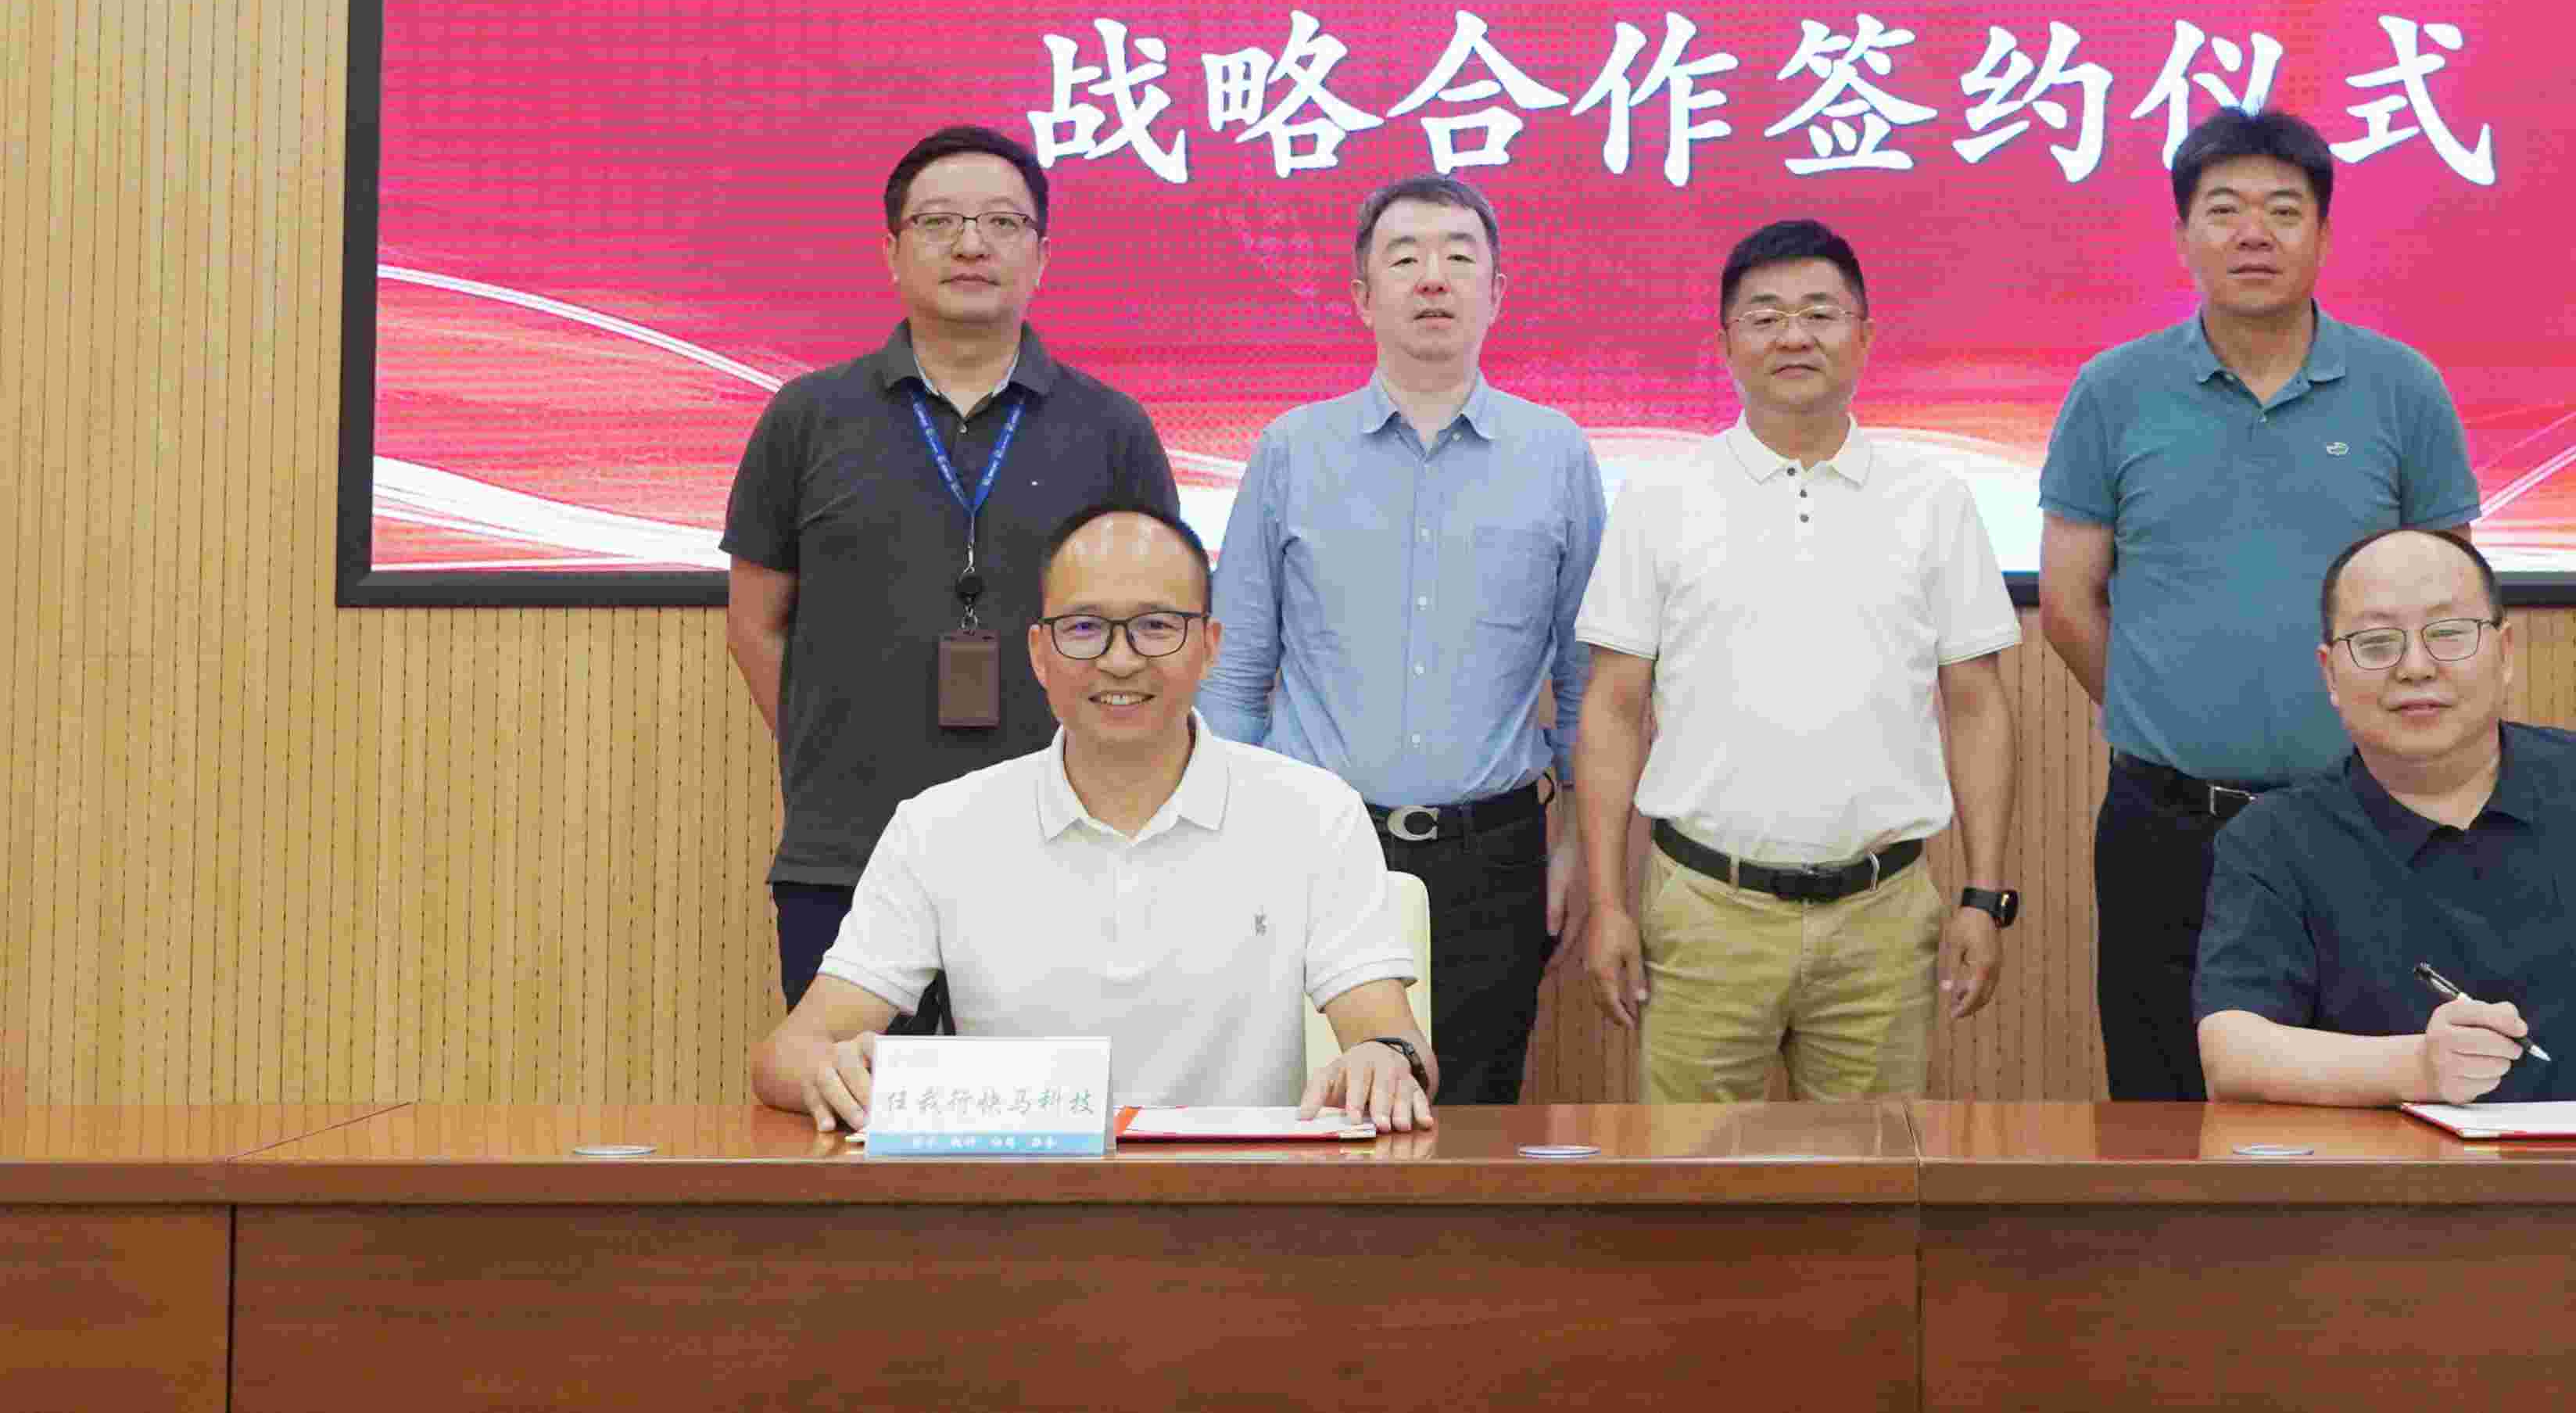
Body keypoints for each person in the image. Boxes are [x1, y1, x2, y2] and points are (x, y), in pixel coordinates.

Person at [2039, 107, 2481, 1101]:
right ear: (2182, 235)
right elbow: (2069, 602)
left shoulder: (2401, 386)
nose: (2253, 233)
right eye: (2224, 209)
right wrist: (2170, 712)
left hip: (2365, 812)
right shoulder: (2115, 389)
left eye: (2284, 210)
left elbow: (2450, 600)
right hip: (2166, 823)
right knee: (2163, 1095)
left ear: (2323, 235)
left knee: (2373, 1084)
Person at [753, 503, 1435, 1134]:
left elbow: (1392, 1036)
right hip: (1017, 1203)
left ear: (1209, 645)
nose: (1120, 659)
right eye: (1083, 628)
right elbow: (788, 1053)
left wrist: (1385, 1059)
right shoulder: (940, 827)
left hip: (1246, 1200)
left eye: (1156, 626)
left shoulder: (1313, 813)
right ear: (1038, 653)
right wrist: (827, 1067)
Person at [723, 124, 1181, 1024]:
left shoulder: (1112, 429)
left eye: (1003, 222)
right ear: (891, 251)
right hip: (849, 853)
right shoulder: (807, 417)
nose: (972, 244)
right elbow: (755, 623)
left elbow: (1156, 631)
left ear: (1041, 255)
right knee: (852, 1101)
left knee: (1054, 1104)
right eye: (939, 221)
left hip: (1066, 850)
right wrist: (833, 746)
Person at [1575, 219, 2021, 1103]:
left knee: (1872, 1176)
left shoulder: (1932, 499)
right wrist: (1609, 903)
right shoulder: (1661, 498)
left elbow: (1976, 705)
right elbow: (1613, 708)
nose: (1793, 336)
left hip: (1883, 918)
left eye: (1820, 313)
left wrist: (1983, 894)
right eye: (1765, 316)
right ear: (1725, 343)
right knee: (1691, 1174)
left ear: (1865, 336)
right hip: (1703, 910)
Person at [1207, 174, 1606, 1106]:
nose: (1433, 276)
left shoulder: (1556, 454)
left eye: (1460, 256)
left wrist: (1580, 848)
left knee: (1469, 1122)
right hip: (1313, 846)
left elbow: (1589, 679)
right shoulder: (1291, 450)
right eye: (1405, 257)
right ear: (1362, 294)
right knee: (1307, 1113)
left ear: (1496, 293)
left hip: (1493, 857)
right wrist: (1233, 849)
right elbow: (1233, 676)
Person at [2198, 527, 2576, 1103]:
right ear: (2330, 675)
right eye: (2376, 643)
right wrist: (2417, 1067)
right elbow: (2232, 1051)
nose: (2415, 667)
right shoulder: (2275, 838)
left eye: (2448, 634)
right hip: (2393, 1163)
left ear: (2505, 652)